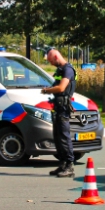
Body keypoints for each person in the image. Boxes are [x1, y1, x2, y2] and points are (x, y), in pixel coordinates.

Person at [41, 49, 77, 178]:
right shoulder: (60, 70)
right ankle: (62, 164)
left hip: (63, 108)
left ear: (56, 56)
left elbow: (61, 88)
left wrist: (46, 91)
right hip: (57, 106)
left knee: (64, 136)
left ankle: (69, 165)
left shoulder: (68, 70)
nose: (51, 63)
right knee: (57, 137)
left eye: (51, 61)